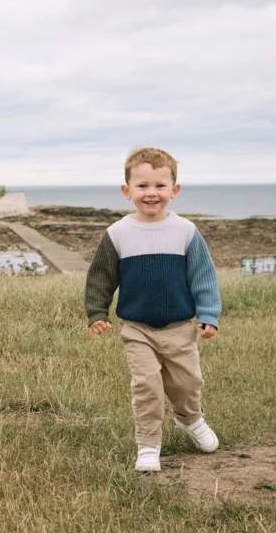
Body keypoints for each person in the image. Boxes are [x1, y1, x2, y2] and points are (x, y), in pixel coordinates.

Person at [84, 147, 222, 472]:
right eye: (143, 185)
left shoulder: (186, 232)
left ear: (174, 190)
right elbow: (100, 278)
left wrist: (208, 314)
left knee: (186, 384)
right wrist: (97, 313)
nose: (151, 193)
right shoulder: (117, 235)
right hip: (137, 328)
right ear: (127, 191)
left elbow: (203, 276)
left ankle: (190, 420)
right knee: (146, 386)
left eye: (160, 186)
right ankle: (148, 445)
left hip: (179, 327)